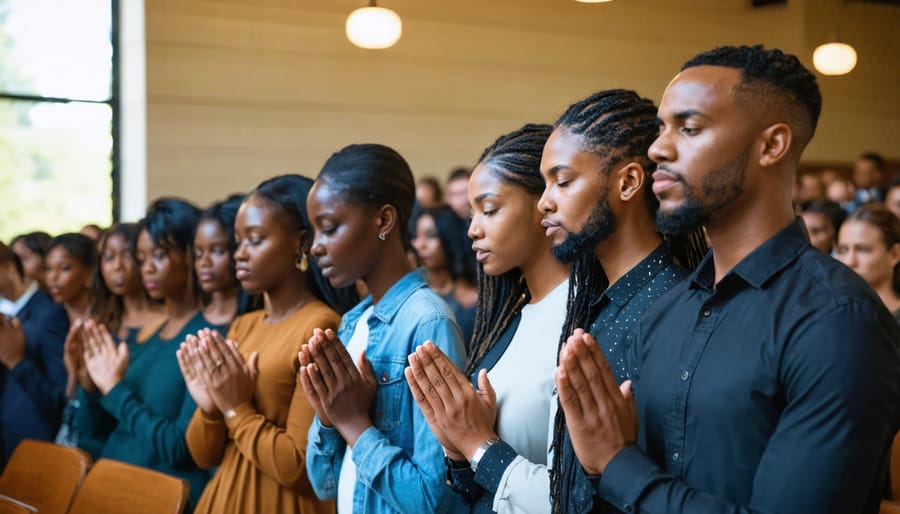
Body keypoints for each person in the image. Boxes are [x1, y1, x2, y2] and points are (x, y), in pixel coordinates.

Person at [557, 44, 900, 514]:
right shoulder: (666, 313)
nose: (659, 148)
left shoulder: (839, 323)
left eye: (690, 128)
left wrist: (618, 464)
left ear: (771, 145)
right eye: (661, 128)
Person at [406, 123, 570, 514]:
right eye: (472, 213)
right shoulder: (512, 314)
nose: (473, 230)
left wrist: (476, 443)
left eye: (490, 209)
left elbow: (576, 495)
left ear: (543, 204)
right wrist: (457, 448)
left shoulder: (581, 315)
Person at [299, 143, 467, 514]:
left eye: (329, 228)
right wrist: (329, 417)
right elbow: (323, 483)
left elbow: (434, 499)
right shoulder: (351, 323)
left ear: (384, 220)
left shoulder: (428, 322)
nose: (315, 247)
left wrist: (354, 423)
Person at [179, 175, 357, 514]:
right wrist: (210, 409)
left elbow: (298, 466)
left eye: (255, 240)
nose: (240, 254)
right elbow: (203, 455)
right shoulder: (243, 325)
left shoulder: (319, 325)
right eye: (238, 241)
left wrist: (235, 408)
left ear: (300, 242)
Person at [77, 197, 221, 509]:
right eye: (141, 259)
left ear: (189, 253)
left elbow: (179, 449)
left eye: (159, 255)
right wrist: (88, 388)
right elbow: (92, 435)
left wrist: (113, 389)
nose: (147, 269)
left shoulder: (208, 335)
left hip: (160, 496)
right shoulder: (146, 332)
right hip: (110, 484)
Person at [56, 223, 164, 456]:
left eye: (127, 255)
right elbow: (84, 413)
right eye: (108, 257)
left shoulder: (168, 324)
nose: (117, 266)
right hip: (101, 445)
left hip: (147, 447)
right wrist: (80, 378)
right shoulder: (101, 325)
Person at [0, 241, 69, 468]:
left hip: (34, 444)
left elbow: (60, 398)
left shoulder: (50, 314)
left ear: (10, 268)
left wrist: (17, 362)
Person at [411, 205, 478, 344]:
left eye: (430, 236)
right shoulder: (414, 294)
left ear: (448, 237)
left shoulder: (472, 299)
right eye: (416, 236)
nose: (419, 244)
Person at [195, 194, 260, 326]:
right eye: (198, 253)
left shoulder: (252, 321)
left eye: (217, 251)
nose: (204, 262)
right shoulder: (191, 323)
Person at [836, 204, 900, 321]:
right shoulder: (830, 315)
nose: (850, 261)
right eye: (843, 250)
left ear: (894, 254)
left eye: (862, 249)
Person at [45, 233, 97, 323]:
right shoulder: (48, 322)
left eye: (64, 268)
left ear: (89, 274)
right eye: (49, 269)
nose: (53, 277)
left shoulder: (111, 319)